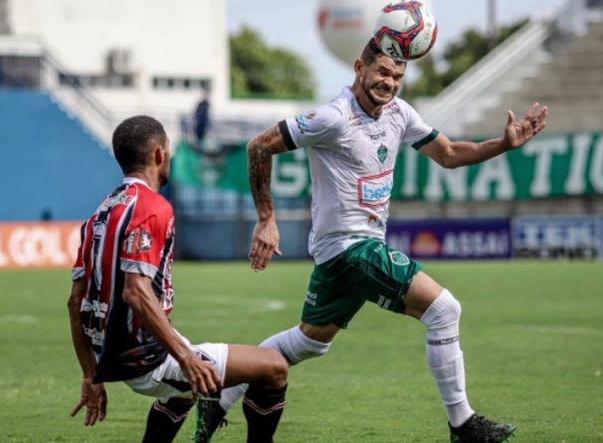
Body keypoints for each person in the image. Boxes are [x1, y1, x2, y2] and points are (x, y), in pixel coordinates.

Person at [219, 39, 549, 443]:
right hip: (349, 248)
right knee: (444, 310)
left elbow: (448, 154)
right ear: (360, 67)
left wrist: (503, 144)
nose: (389, 83)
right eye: (382, 73)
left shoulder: (399, 114)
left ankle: (219, 393)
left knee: (308, 342)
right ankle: (463, 425)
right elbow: (259, 146)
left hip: (349, 251)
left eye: (397, 76)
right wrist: (267, 219)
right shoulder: (332, 118)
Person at [67, 115, 289, 443]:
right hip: (145, 357)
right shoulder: (153, 207)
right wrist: (185, 359)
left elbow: (75, 301)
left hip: (116, 353)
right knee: (274, 367)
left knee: (190, 388)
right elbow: (135, 291)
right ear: (159, 154)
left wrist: (90, 374)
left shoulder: (100, 213)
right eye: (168, 149)